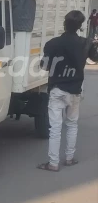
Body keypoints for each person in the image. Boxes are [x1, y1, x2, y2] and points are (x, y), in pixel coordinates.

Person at [37, 10, 97, 172]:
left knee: (55, 128)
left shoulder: (53, 43)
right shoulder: (86, 43)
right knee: (72, 125)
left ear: (65, 24)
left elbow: (44, 66)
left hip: (57, 90)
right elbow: (95, 58)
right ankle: (69, 159)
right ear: (80, 26)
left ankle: (53, 163)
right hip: (75, 90)